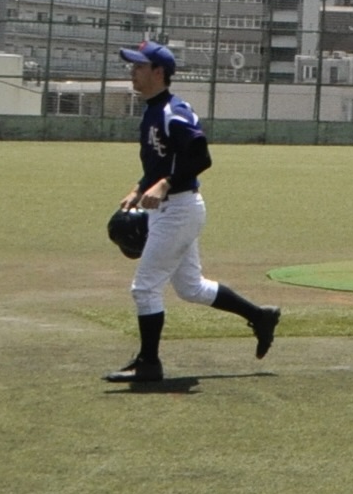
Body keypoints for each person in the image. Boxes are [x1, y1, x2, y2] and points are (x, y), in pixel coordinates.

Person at [106, 42, 278, 383]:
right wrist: (140, 187)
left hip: (179, 209)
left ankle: (149, 363)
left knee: (144, 288)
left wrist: (166, 184)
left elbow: (201, 157)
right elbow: (160, 163)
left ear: (159, 73)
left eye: (139, 66)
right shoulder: (153, 110)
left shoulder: (174, 111)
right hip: (171, 209)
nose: (132, 72)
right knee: (191, 288)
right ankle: (260, 316)